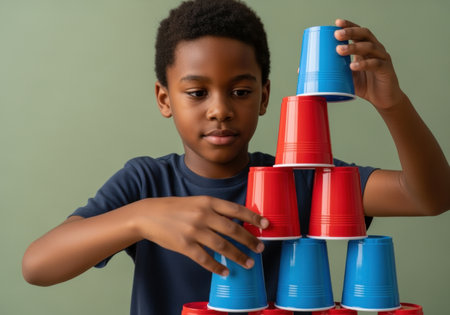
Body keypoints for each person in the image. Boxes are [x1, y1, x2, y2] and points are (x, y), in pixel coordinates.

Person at [22, 0, 450, 314]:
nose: (220, 109)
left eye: (241, 91)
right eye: (197, 92)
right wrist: (140, 217)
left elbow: (428, 197)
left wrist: (392, 104)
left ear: (264, 97)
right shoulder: (146, 185)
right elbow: (37, 265)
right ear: (164, 98)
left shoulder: (304, 178)